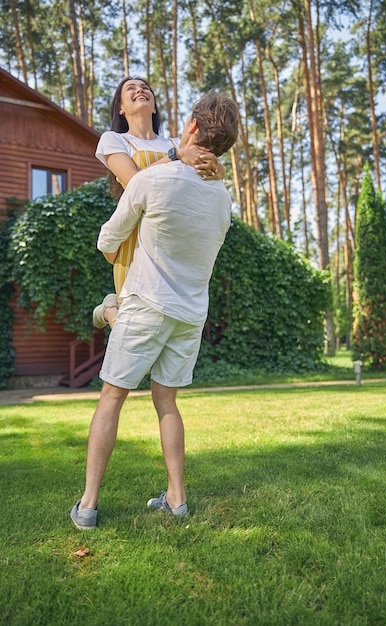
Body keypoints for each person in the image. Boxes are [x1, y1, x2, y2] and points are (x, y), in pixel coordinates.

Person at [70, 91, 239, 529]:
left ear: (193, 128)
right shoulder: (223, 200)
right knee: (166, 402)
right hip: (190, 315)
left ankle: (87, 505)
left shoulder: (151, 181)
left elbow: (107, 242)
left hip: (147, 304)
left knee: (112, 398)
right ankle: (176, 499)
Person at [93, 76, 224, 329]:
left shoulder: (176, 142)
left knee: (165, 320)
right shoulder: (115, 140)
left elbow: (208, 172)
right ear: (121, 107)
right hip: (135, 234)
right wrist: (177, 157)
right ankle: (109, 310)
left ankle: (112, 307)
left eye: (145, 88)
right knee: (133, 327)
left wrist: (219, 172)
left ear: (154, 107)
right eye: (130, 89)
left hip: (170, 234)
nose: (140, 90)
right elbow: (133, 182)